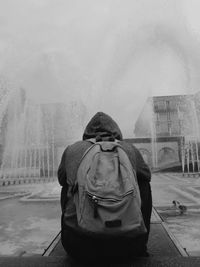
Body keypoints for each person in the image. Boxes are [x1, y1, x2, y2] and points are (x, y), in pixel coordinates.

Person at [58, 112, 152, 263]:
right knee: (143, 182)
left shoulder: (72, 149)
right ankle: (141, 243)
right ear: (116, 130)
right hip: (129, 246)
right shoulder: (129, 149)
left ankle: (74, 227)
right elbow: (147, 174)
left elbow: (60, 178)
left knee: (67, 185)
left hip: (78, 246)